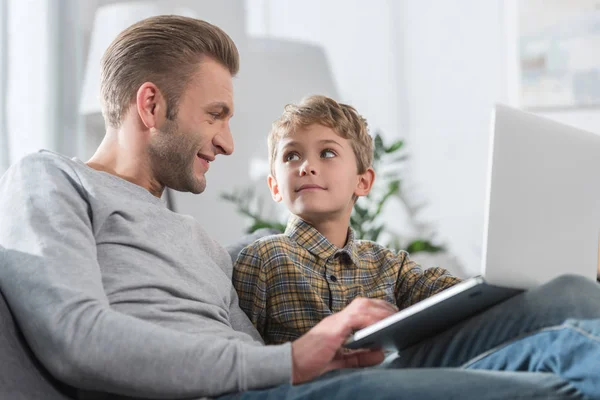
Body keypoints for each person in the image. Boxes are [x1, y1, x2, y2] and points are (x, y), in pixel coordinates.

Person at [0, 15, 599, 400]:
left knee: (569, 302)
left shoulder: (202, 243)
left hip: (280, 381)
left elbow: (254, 353)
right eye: (216, 116)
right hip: (252, 391)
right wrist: (290, 359)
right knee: (554, 374)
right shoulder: (50, 180)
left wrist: (318, 357)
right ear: (151, 105)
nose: (229, 142)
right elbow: (76, 338)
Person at [233, 95, 461, 345]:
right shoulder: (264, 258)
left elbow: (457, 294)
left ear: (362, 182)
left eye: (327, 153)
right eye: (291, 156)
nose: (306, 166)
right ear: (275, 186)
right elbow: (246, 357)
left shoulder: (389, 266)